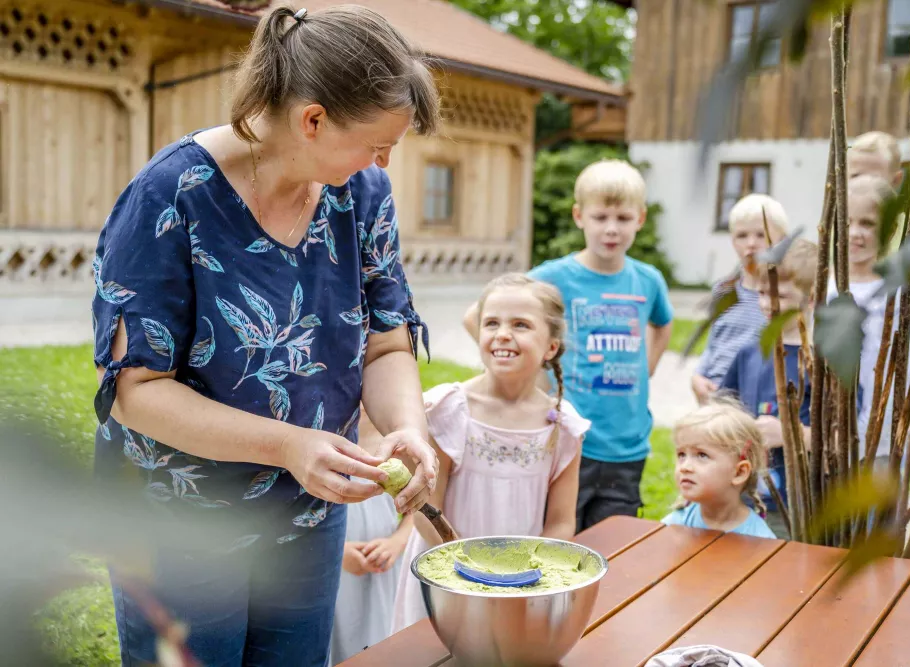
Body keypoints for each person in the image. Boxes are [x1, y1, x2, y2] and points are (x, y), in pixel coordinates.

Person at [90, 6, 440, 666]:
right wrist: (288, 444)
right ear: (312, 119)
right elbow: (138, 391)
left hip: (307, 514)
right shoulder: (170, 196)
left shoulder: (361, 192)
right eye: (376, 142)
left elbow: (387, 343)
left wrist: (409, 427)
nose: (384, 160)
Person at [463, 159, 673, 533]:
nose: (611, 228)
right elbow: (476, 316)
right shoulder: (552, 276)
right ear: (579, 216)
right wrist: (535, 377)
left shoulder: (648, 280)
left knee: (613, 548)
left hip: (627, 444)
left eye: (623, 218)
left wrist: (648, 367)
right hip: (568, 439)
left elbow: (663, 322)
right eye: (600, 217)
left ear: (640, 219)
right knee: (558, 541)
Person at [393, 274, 591, 633]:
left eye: (521, 325)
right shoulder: (449, 411)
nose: (502, 333)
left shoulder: (563, 428)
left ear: (551, 347)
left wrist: (531, 576)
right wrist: (467, 573)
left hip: (520, 586)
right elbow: (425, 511)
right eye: (492, 323)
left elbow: (561, 520)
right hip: (447, 579)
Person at [717, 237, 818, 539]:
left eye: (781, 296)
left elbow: (844, 439)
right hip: (745, 500)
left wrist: (792, 434)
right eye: (762, 293)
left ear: (812, 298)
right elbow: (723, 407)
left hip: (800, 506)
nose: (767, 304)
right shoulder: (750, 353)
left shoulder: (825, 362)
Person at [827, 175, 910, 465]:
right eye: (847, 222)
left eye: (867, 223)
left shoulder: (896, 296)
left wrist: (869, 432)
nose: (855, 233)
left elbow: (904, 371)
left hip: (875, 441)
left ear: (890, 230)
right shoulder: (824, 288)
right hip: (821, 432)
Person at [329, 409, 413, 665]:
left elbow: (418, 505)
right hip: (330, 560)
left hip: (382, 562)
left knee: (379, 632)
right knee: (338, 634)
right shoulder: (322, 438)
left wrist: (396, 542)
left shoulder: (395, 442)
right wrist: (337, 552)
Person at [691, 194, 789, 405]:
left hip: (758, 399)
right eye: (742, 235)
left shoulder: (785, 297)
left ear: (782, 240)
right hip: (716, 397)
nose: (751, 244)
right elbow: (715, 342)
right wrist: (698, 376)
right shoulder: (723, 290)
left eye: (761, 235)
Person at [847, 131, 910, 316]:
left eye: (875, 178)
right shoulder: (840, 228)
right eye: (856, 176)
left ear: (896, 180)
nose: (865, 184)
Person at [661, 399, 776, 539]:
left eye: (702, 455)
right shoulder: (675, 525)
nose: (685, 467)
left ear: (739, 472)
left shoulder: (760, 540)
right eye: (682, 455)